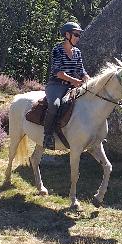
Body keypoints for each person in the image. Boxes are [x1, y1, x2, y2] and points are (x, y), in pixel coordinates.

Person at [43, 21, 91, 149]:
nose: (78, 38)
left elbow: (81, 70)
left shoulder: (77, 52)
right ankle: (47, 135)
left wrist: (85, 77)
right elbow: (58, 72)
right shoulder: (57, 49)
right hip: (56, 85)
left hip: (71, 87)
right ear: (67, 34)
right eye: (76, 35)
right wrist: (74, 81)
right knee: (54, 105)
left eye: (79, 35)